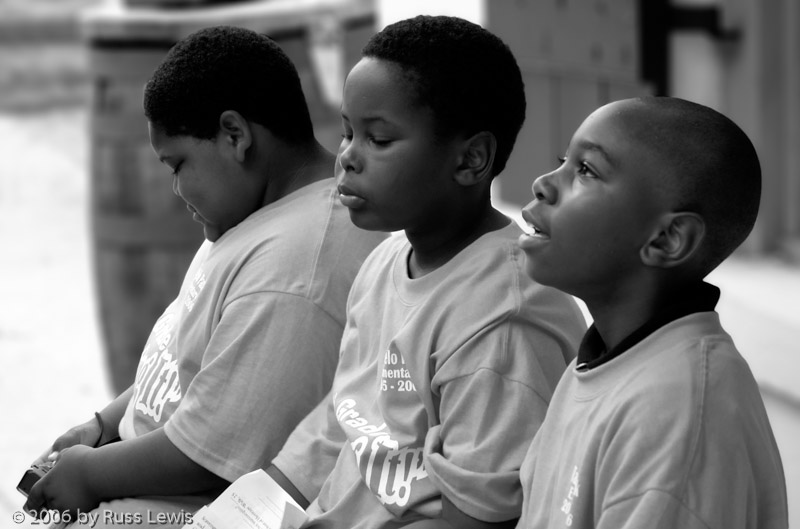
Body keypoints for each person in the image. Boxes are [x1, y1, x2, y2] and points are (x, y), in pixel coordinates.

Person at [24, 25, 386, 527]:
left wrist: (90, 473)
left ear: (234, 136)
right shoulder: (255, 215)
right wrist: (103, 425)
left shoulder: (298, 271)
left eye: (177, 165)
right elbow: (190, 358)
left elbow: (209, 456)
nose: (175, 188)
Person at [265, 15, 587, 529]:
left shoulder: (502, 320)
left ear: (471, 159)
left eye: (378, 139)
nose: (347, 157)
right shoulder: (385, 261)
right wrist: (246, 508)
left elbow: (477, 521)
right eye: (348, 132)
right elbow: (343, 422)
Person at [516, 96, 789, 528]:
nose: (543, 184)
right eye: (562, 161)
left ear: (667, 239)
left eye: (585, 170)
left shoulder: (675, 416)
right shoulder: (605, 360)